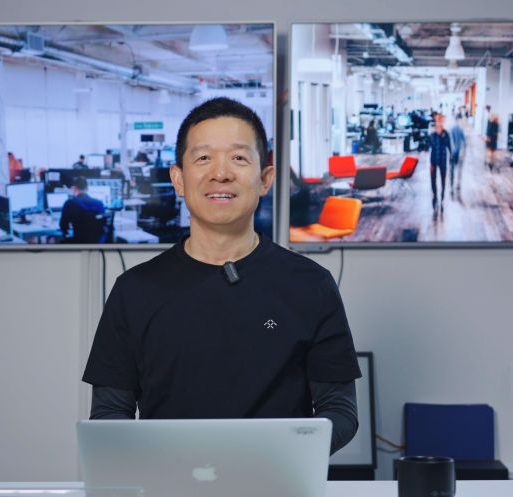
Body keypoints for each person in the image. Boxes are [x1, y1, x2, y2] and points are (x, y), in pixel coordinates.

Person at [82, 97, 360, 454]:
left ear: (265, 179)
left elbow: (340, 410)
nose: (221, 173)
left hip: (277, 481)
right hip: (169, 481)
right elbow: (109, 413)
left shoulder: (311, 285)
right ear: (178, 180)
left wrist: (280, 454)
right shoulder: (134, 290)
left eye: (239, 158)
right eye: (203, 158)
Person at [59, 176, 106, 244]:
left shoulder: (70, 203)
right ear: (87, 189)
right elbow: (103, 224)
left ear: (74, 188)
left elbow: (63, 225)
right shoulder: (99, 203)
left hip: (78, 242)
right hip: (97, 242)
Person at [428, 113, 451, 212]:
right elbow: (428, 145)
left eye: (440, 126)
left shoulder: (446, 134)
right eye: (436, 126)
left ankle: (442, 196)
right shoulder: (432, 136)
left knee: (443, 179)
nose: (438, 128)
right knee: (433, 180)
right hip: (433, 160)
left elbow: (449, 146)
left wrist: (452, 158)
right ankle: (435, 195)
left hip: (443, 160)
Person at [448, 114, 465, 194]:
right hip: (454, 153)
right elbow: (451, 142)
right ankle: (453, 185)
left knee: (456, 170)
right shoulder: (454, 129)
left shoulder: (459, 129)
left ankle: (456, 184)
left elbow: (463, 142)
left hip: (456, 153)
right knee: (454, 170)